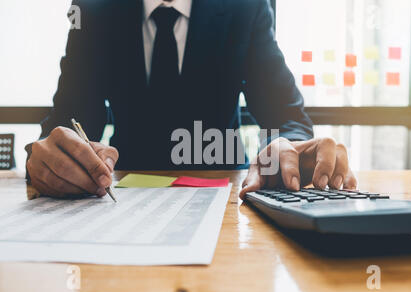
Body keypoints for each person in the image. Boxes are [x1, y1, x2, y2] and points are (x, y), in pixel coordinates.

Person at [26, 0, 357, 199]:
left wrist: (289, 149)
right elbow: (68, 121)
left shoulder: (245, 6)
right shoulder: (93, 9)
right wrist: (49, 157)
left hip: (228, 193)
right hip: (123, 194)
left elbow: (288, 118)